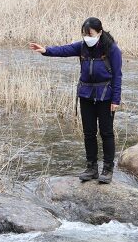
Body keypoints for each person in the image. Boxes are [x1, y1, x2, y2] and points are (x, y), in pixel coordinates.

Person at [30, 18, 123, 184]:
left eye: (90, 34)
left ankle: (108, 169)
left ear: (100, 32)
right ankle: (91, 167)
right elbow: (64, 50)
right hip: (86, 94)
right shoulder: (82, 47)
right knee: (88, 132)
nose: (87, 37)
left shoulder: (112, 49)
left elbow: (117, 75)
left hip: (105, 96)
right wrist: (45, 50)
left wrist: (116, 99)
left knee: (106, 132)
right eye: (84, 34)